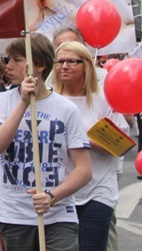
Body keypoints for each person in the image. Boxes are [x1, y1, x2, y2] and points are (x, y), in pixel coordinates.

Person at [0, 34, 92, 251]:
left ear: (41, 65)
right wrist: (24, 102)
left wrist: (53, 196)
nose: (9, 66)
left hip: (58, 215)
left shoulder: (66, 109)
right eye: (8, 59)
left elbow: (84, 170)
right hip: (15, 215)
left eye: (16, 59)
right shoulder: (0, 101)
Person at [53, 41, 128, 251]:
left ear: (86, 65)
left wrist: (80, 139)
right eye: (60, 61)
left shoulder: (103, 100)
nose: (64, 66)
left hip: (98, 190)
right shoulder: (51, 100)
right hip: (60, 192)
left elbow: (120, 146)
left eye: (71, 61)